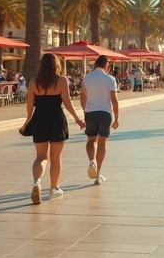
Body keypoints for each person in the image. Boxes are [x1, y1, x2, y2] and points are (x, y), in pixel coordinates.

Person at [20, 53, 85, 203]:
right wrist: (78, 120)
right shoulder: (61, 81)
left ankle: (37, 182)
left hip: (39, 119)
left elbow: (29, 107)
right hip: (56, 119)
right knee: (56, 158)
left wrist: (26, 122)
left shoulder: (33, 82)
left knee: (41, 157)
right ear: (56, 65)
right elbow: (67, 103)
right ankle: (53, 189)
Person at [81, 55, 119, 185]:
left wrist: (85, 110)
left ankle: (92, 161)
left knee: (91, 140)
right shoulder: (110, 79)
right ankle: (98, 175)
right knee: (102, 143)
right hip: (105, 113)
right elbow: (114, 99)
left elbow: (83, 96)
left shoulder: (87, 78)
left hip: (90, 112)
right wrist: (117, 118)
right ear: (107, 64)